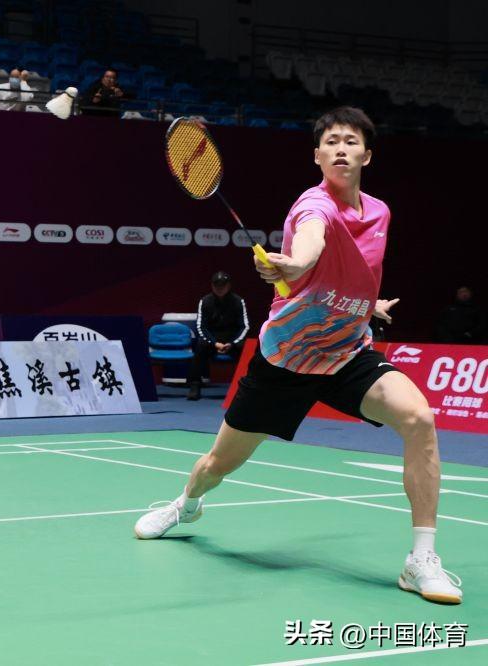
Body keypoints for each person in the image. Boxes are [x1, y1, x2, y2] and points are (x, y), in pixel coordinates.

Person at [134, 107, 463, 605]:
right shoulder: (312, 207)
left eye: (350, 141)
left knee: (419, 418)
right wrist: (293, 264)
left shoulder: (379, 212)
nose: (340, 149)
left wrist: (367, 305)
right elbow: (312, 245)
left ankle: (421, 558)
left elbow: (351, 271)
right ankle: (186, 504)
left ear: (367, 155)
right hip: (286, 361)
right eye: (331, 142)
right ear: (317, 156)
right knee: (216, 465)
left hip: (347, 354)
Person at [186, 271, 249, 400]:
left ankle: (246, 388)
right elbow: (201, 327)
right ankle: (194, 385)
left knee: (245, 349)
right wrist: (214, 343)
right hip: (212, 339)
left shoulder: (238, 301)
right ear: (212, 286)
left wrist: (232, 343)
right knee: (200, 348)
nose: (220, 288)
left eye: (223, 285)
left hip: (231, 339)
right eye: (217, 285)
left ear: (229, 285)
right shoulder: (205, 301)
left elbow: (244, 326)